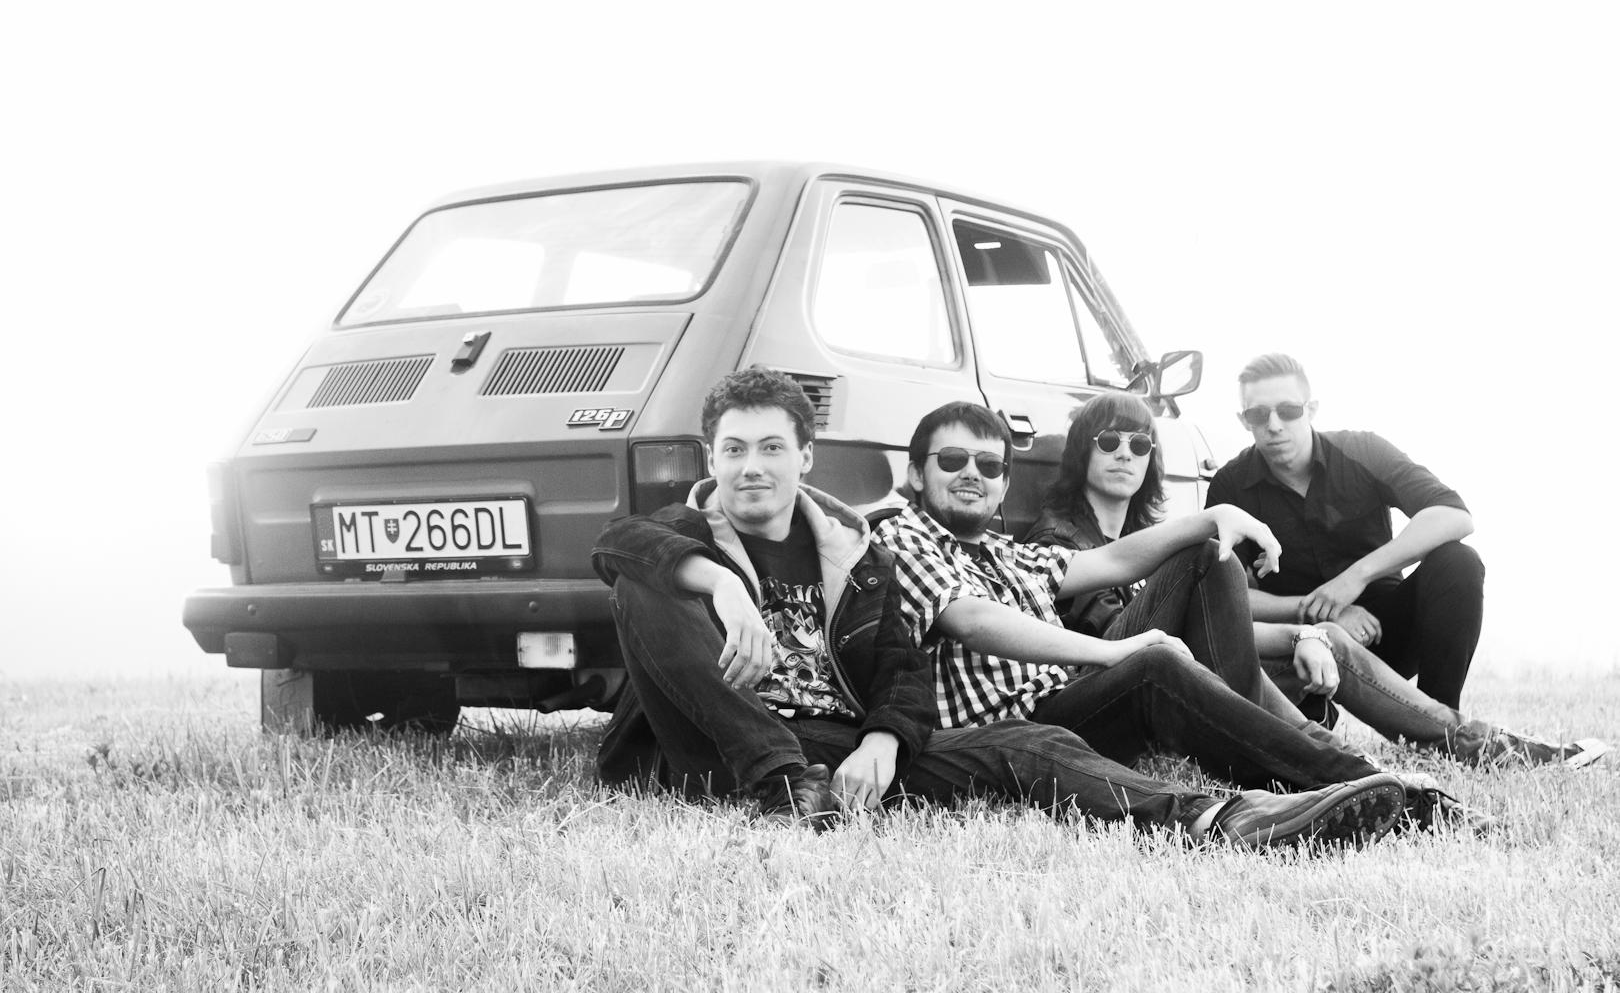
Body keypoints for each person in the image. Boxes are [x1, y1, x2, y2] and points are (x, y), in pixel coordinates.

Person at [591, 367, 1407, 847]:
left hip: (836, 749)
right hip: (729, 750)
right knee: (646, 580)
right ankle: (776, 786)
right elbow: (619, 544)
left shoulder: (855, 554)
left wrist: (882, 739)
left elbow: (902, 670)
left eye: (772, 448)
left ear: (805, 457)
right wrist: (721, 584)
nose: (752, 468)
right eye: (734, 449)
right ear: (711, 458)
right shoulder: (686, 536)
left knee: (1034, 745)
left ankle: (1231, 816)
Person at [1027, 391, 1607, 769]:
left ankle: (1468, 744)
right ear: (1081, 454)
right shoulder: (1061, 541)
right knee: (1215, 561)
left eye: (1139, 444)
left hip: (1189, 672)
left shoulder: (1141, 537)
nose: (1125, 455)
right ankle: (1358, 755)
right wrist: (1301, 623)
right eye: (1108, 442)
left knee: (1334, 633)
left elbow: (1207, 626)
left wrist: (1307, 634)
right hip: (1132, 691)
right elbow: (1127, 646)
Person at [1206, 353, 1482, 710]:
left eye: (1288, 410)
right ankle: (1312, 720)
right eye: (1258, 414)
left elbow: (1454, 515)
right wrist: (1325, 611)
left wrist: (1355, 577)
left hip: (1384, 630)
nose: (1274, 425)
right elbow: (1222, 596)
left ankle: (1440, 722)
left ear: (1311, 409)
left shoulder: (1363, 451)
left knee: (1458, 561)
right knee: (1299, 725)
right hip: (1303, 645)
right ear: (1243, 420)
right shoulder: (1230, 486)